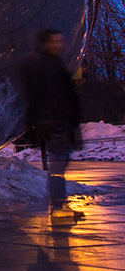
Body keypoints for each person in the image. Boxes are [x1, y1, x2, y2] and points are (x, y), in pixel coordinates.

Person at [21, 29, 82, 218]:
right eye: (54, 41)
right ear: (45, 44)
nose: (58, 45)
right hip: (54, 123)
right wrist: (46, 120)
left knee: (59, 165)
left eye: (60, 41)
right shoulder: (43, 65)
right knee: (57, 166)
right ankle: (58, 206)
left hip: (59, 122)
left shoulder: (53, 63)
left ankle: (59, 204)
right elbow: (40, 96)